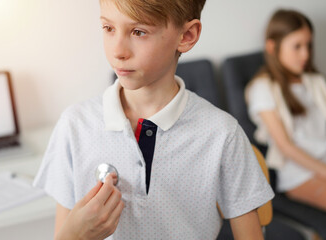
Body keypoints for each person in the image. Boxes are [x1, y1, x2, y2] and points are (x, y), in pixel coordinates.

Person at [33, 0, 274, 239]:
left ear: (187, 35)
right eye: (108, 28)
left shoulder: (222, 134)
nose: (118, 51)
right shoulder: (75, 126)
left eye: (139, 32)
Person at [245, 9, 326, 213]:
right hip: (301, 174)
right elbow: (285, 146)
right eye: (297, 47)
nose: (306, 54)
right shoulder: (263, 88)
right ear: (272, 46)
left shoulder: (313, 80)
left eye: (308, 45)